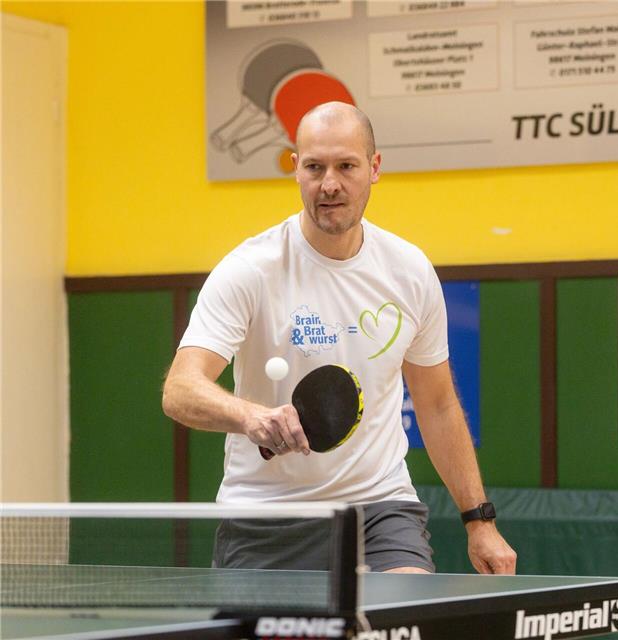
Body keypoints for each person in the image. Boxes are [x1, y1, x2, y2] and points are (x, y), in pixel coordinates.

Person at [162, 102, 516, 576]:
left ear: (374, 169)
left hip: (377, 508)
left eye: (346, 166)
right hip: (267, 515)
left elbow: (438, 405)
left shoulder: (408, 271)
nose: (330, 183)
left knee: (404, 622)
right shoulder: (250, 270)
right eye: (314, 167)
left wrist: (479, 521)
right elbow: (180, 389)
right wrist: (250, 416)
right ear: (295, 170)